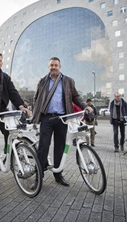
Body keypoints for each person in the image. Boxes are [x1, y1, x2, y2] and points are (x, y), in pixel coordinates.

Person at [32, 57, 93, 186]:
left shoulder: (68, 81)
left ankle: (58, 175)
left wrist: (84, 106)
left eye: (56, 65)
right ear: (48, 67)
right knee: (43, 147)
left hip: (62, 119)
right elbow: (36, 98)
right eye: (51, 65)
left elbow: (76, 97)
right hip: (46, 118)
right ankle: (39, 176)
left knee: (60, 147)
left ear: (60, 66)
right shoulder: (42, 81)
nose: (53, 67)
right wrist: (36, 113)